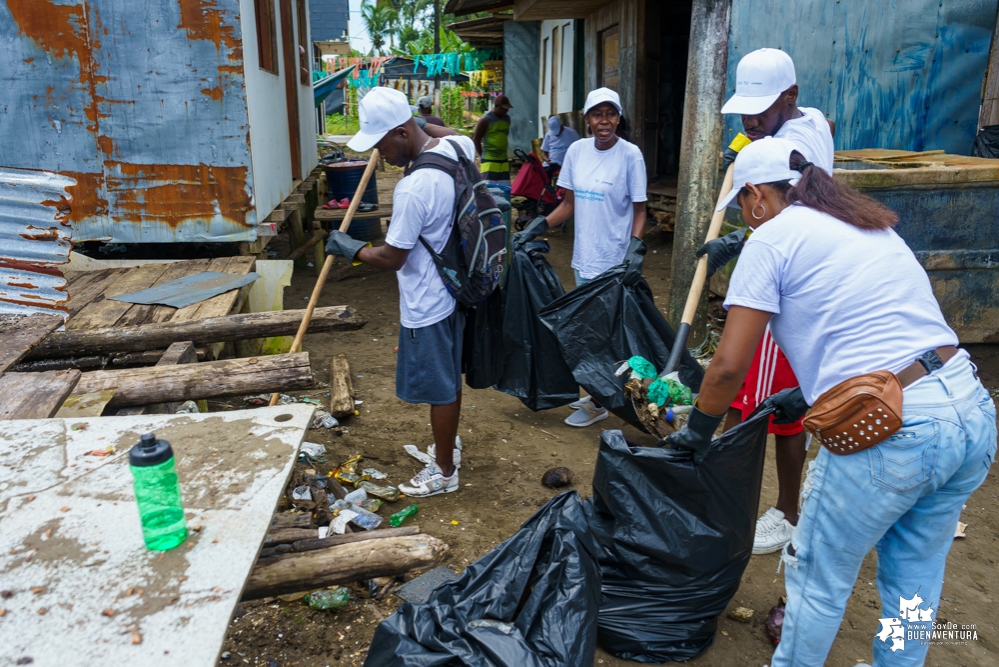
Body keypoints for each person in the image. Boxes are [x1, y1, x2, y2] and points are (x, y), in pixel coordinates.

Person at [666, 137, 994, 667]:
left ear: (754, 195)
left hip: (895, 432)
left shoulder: (770, 240)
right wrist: (806, 392)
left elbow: (728, 367)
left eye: (744, 209)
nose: (746, 221)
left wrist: (697, 433)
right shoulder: (868, 223)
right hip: (967, 409)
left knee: (818, 580)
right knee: (916, 576)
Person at [699, 47, 837, 554]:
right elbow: (828, 122)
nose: (750, 119)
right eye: (744, 108)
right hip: (800, 279)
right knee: (778, 404)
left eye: (761, 108)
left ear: (791, 96)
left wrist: (737, 241)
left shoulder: (794, 146)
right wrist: (754, 139)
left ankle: (774, 512)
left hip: (787, 284)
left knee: (752, 403)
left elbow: (789, 220)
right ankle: (774, 508)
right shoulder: (811, 120)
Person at [326, 87, 471, 497]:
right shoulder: (455, 148)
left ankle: (444, 471)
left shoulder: (413, 190)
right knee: (449, 379)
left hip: (427, 300)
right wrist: (418, 121)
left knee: (440, 387)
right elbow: (457, 132)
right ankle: (448, 447)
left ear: (402, 134)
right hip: (457, 289)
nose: (380, 154)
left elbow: (392, 258)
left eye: (382, 143)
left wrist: (352, 248)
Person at [513, 87, 647, 427]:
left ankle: (602, 401)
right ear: (587, 119)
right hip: (584, 257)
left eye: (611, 114)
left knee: (606, 333)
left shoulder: (630, 155)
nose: (605, 121)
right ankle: (599, 394)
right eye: (597, 114)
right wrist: (536, 226)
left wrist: (634, 249)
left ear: (619, 118)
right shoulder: (576, 151)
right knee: (588, 331)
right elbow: (568, 205)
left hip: (614, 262)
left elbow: (639, 210)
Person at [473, 95, 513, 185]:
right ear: (497, 106)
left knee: (504, 188)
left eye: (507, 108)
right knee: (489, 189)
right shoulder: (485, 120)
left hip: (503, 159)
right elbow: (476, 139)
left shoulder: (507, 119)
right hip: (489, 159)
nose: (506, 110)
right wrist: (482, 155)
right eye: (504, 108)